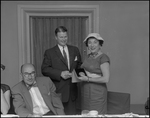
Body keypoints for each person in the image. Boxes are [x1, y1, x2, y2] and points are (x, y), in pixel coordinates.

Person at [41, 26, 82, 115]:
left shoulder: (75, 50)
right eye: (61, 37)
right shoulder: (49, 52)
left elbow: (79, 66)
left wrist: (77, 74)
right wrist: (60, 73)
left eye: (65, 37)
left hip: (72, 92)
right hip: (57, 92)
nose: (64, 39)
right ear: (56, 37)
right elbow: (44, 69)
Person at [78, 33, 110, 114]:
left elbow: (106, 78)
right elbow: (83, 68)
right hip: (85, 92)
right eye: (89, 42)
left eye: (95, 42)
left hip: (97, 93)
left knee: (97, 114)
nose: (92, 45)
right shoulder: (88, 56)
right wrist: (81, 73)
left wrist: (88, 78)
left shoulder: (103, 58)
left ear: (100, 45)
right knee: (86, 114)